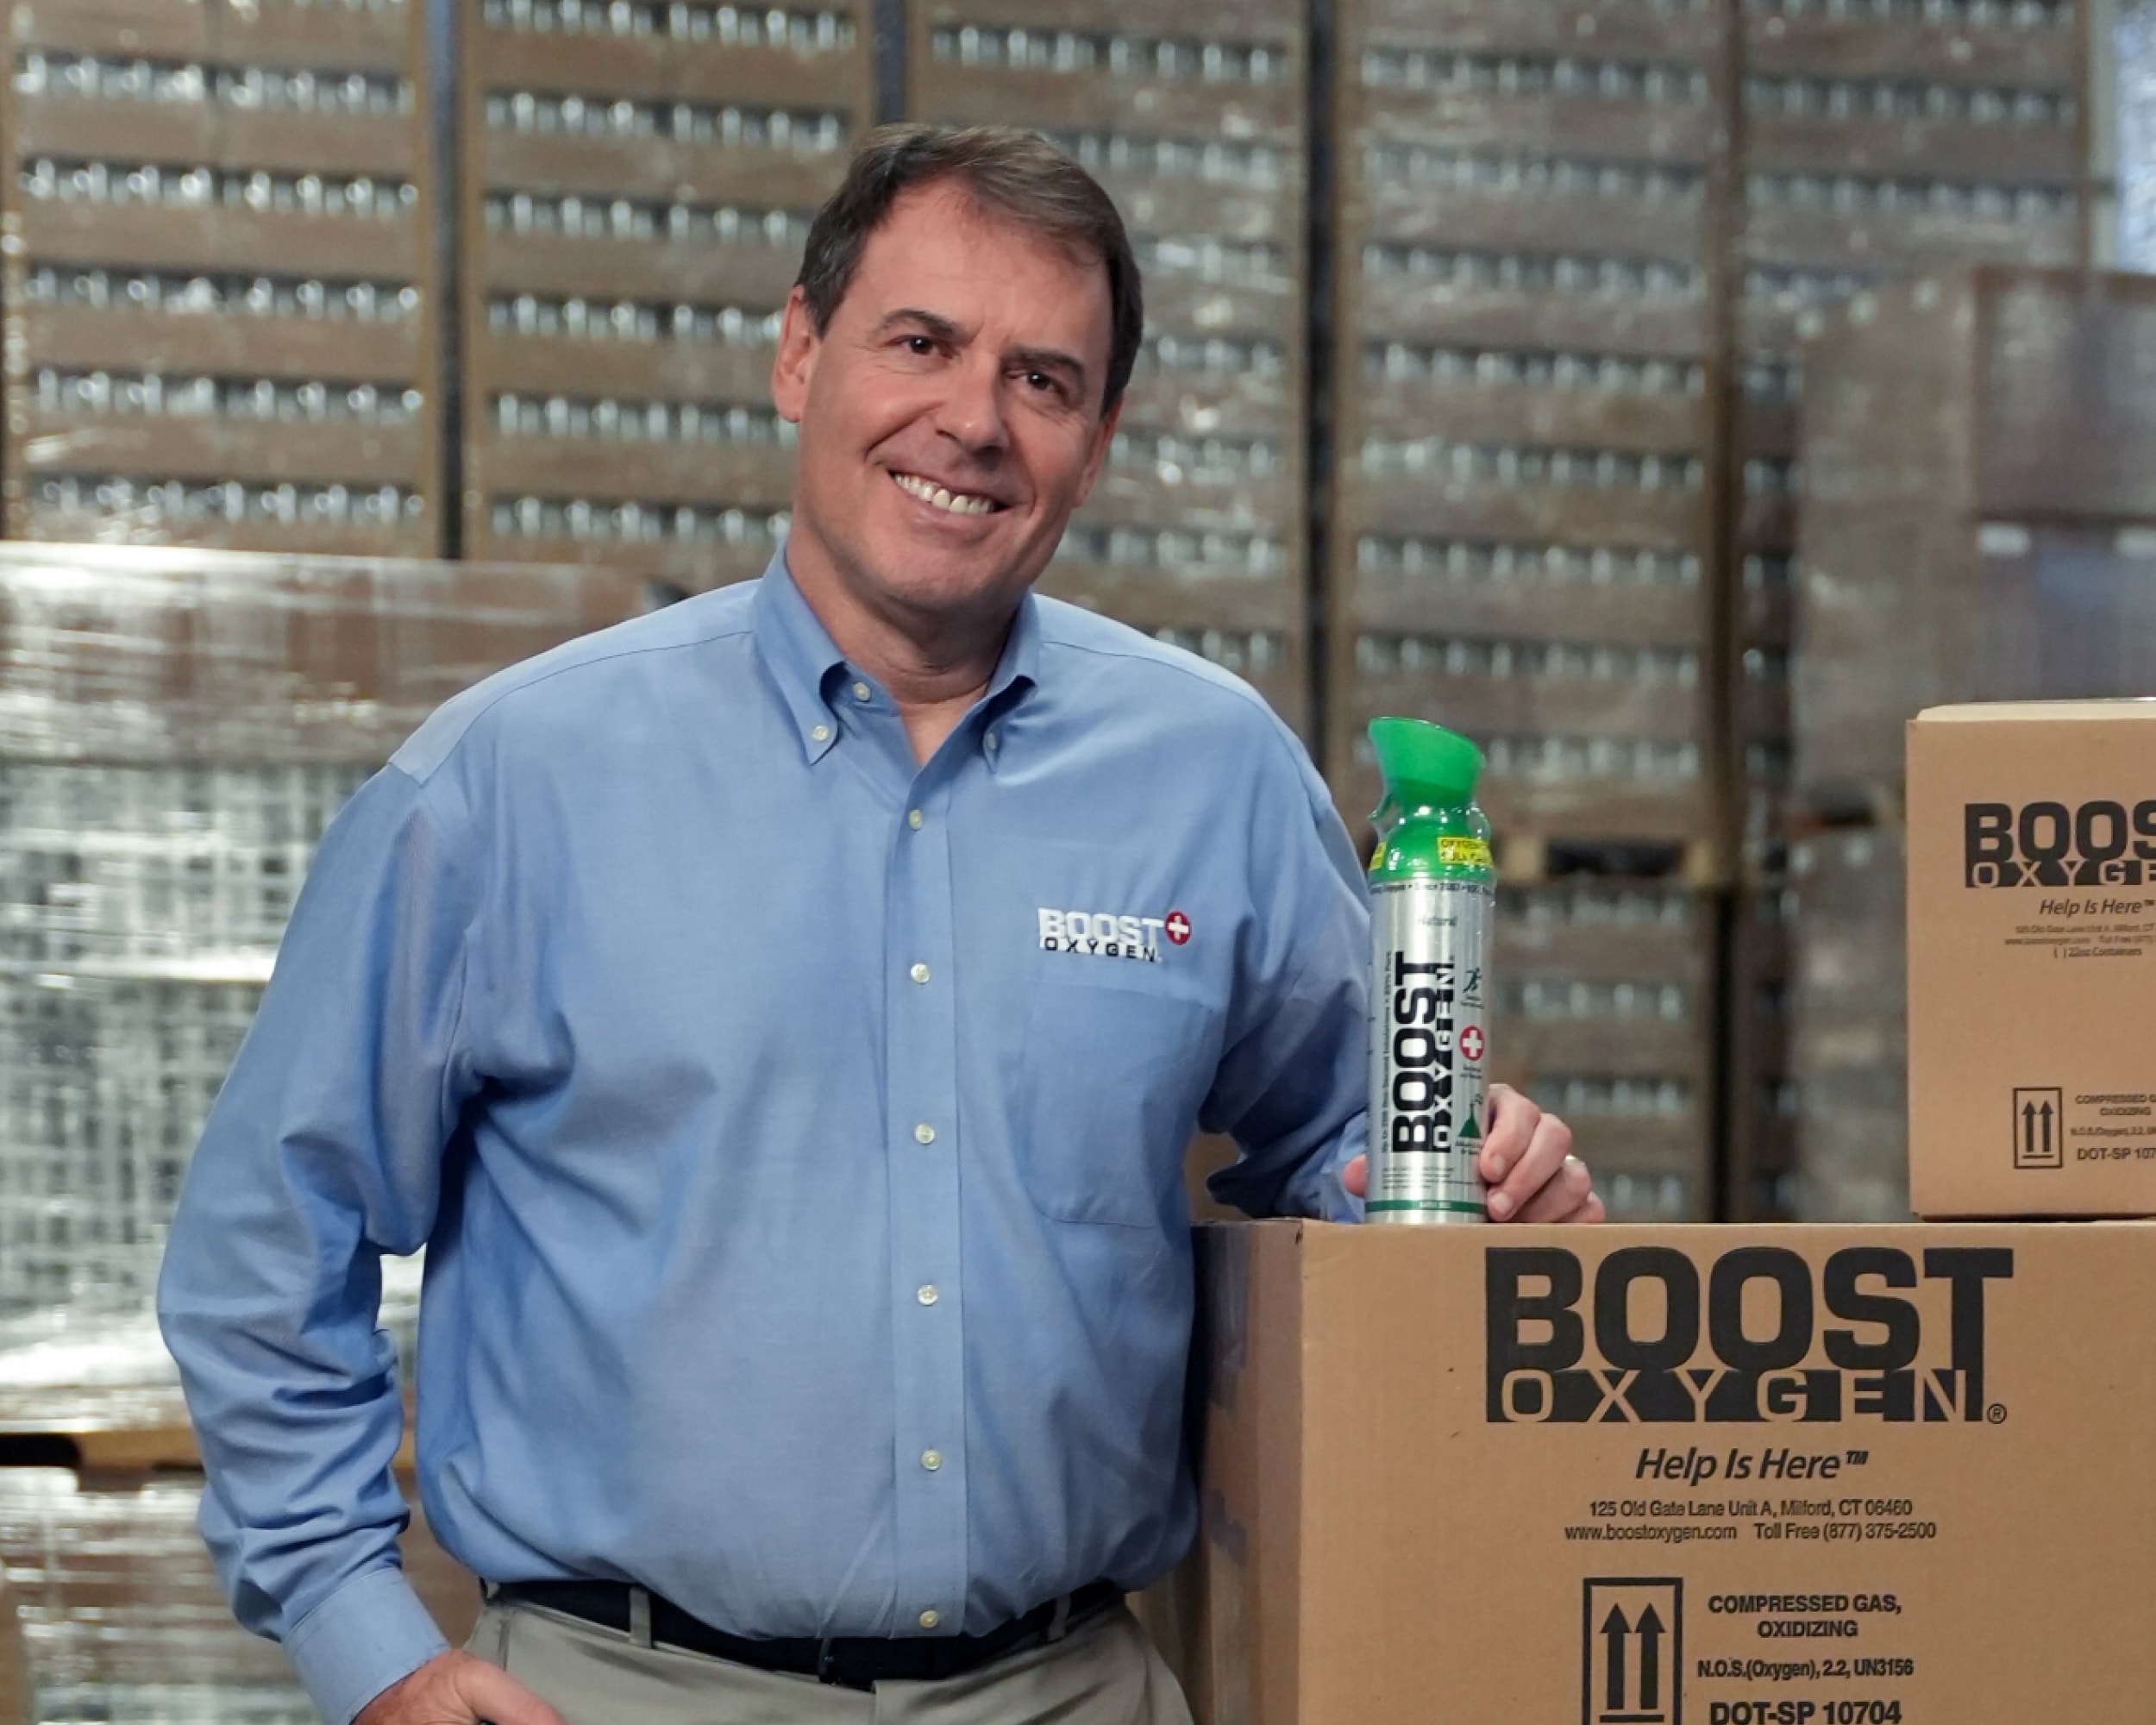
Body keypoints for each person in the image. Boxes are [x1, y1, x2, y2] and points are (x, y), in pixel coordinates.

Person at [157, 123, 1601, 1725]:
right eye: (922, 343)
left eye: (1044, 380)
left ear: (1098, 437)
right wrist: (369, 1649)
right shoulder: (512, 783)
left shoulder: (1214, 774)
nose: (973, 421)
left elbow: (1342, 1146)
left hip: (1074, 1688)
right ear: (799, 354)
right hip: (619, 1693)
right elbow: (266, 1240)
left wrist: (1465, 1177)